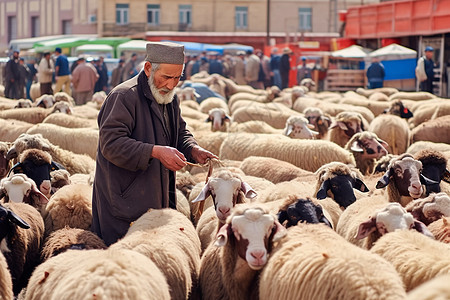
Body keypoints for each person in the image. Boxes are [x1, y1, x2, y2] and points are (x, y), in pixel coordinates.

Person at [92, 41, 217, 245]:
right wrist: (155, 152)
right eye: (166, 77)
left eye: (177, 78)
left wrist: (193, 149)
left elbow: (179, 132)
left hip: (157, 197)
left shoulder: (169, 98)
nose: (171, 84)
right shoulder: (123, 96)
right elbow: (111, 144)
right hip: (124, 204)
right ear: (148, 68)